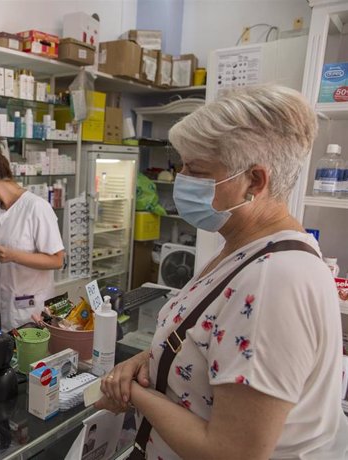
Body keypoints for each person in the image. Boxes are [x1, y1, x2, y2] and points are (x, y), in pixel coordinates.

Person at [96, 85, 348, 459]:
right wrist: (147, 360)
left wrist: (133, 394)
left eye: (196, 170)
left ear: (255, 181)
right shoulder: (242, 247)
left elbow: (231, 452)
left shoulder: (273, 280)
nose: (181, 179)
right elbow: (203, 339)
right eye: (182, 165)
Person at [0, 137, 64, 332]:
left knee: (28, 360)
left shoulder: (36, 207)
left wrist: (14, 256)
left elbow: (57, 260)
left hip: (28, 312)